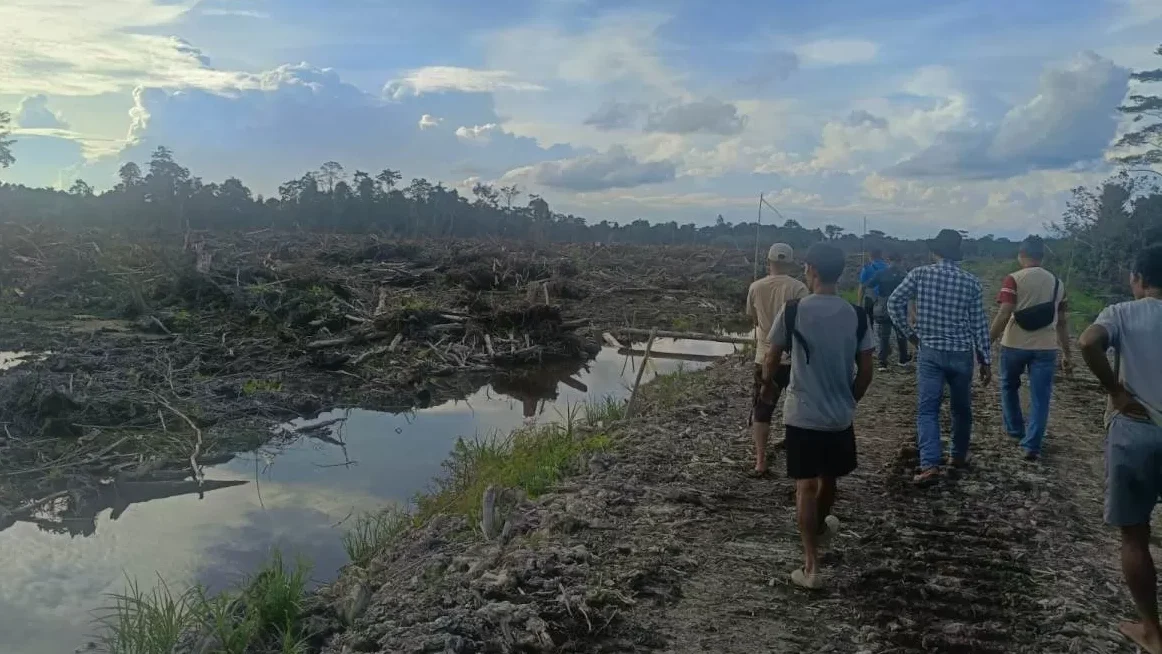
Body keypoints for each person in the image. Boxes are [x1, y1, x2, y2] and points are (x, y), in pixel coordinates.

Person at [762, 243, 875, 589]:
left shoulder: (794, 311)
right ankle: (822, 528)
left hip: (802, 415)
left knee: (804, 486)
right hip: (838, 417)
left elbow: (771, 357)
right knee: (829, 480)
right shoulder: (856, 315)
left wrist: (769, 380)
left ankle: (811, 567)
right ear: (840, 272)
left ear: (810, 269)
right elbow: (867, 369)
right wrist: (849, 398)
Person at [1078, 244, 1162, 654]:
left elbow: (1088, 342)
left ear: (1139, 279)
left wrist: (1113, 390)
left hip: (1137, 429)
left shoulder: (1123, 312)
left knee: (1135, 536)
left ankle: (1152, 630)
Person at [887, 229, 991, 486]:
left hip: (930, 351)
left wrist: (910, 335)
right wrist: (985, 359)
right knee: (961, 409)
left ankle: (930, 464)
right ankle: (957, 456)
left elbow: (893, 302)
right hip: (961, 353)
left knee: (927, 410)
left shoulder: (920, 274)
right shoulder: (971, 282)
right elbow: (979, 324)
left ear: (935, 251)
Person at [989, 235, 1072, 462]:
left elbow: (1004, 312)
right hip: (1046, 347)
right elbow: (1063, 322)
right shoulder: (1058, 283)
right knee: (1041, 396)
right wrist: (1067, 353)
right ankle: (1033, 444)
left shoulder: (1013, 279)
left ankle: (1015, 429)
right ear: (1042, 257)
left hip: (1014, 343)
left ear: (1021, 255)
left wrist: (987, 340)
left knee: (1008, 386)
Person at [745, 243, 809, 476]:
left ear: (768, 261)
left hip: (764, 357)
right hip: (795, 359)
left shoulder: (755, 287)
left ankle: (760, 460)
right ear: (790, 263)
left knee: (762, 408)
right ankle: (796, 453)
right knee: (798, 407)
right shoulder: (799, 288)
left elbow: (753, 320)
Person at [868, 252, 912, 371]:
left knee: (884, 335)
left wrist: (876, 300)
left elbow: (870, 285)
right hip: (899, 307)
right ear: (900, 260)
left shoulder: (881, 273)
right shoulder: (904, 275)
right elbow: (910, 294)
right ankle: (903, 359)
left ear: (888, 260)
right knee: (901, 334)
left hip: (884, 305)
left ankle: (883, 362)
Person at [858, 248, 888, 316]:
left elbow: (862, 287)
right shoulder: (888, 267)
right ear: (881, 255)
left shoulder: (867, 268)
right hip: (885, 300)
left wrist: (859, 303)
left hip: (871, 300)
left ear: (870, 256)